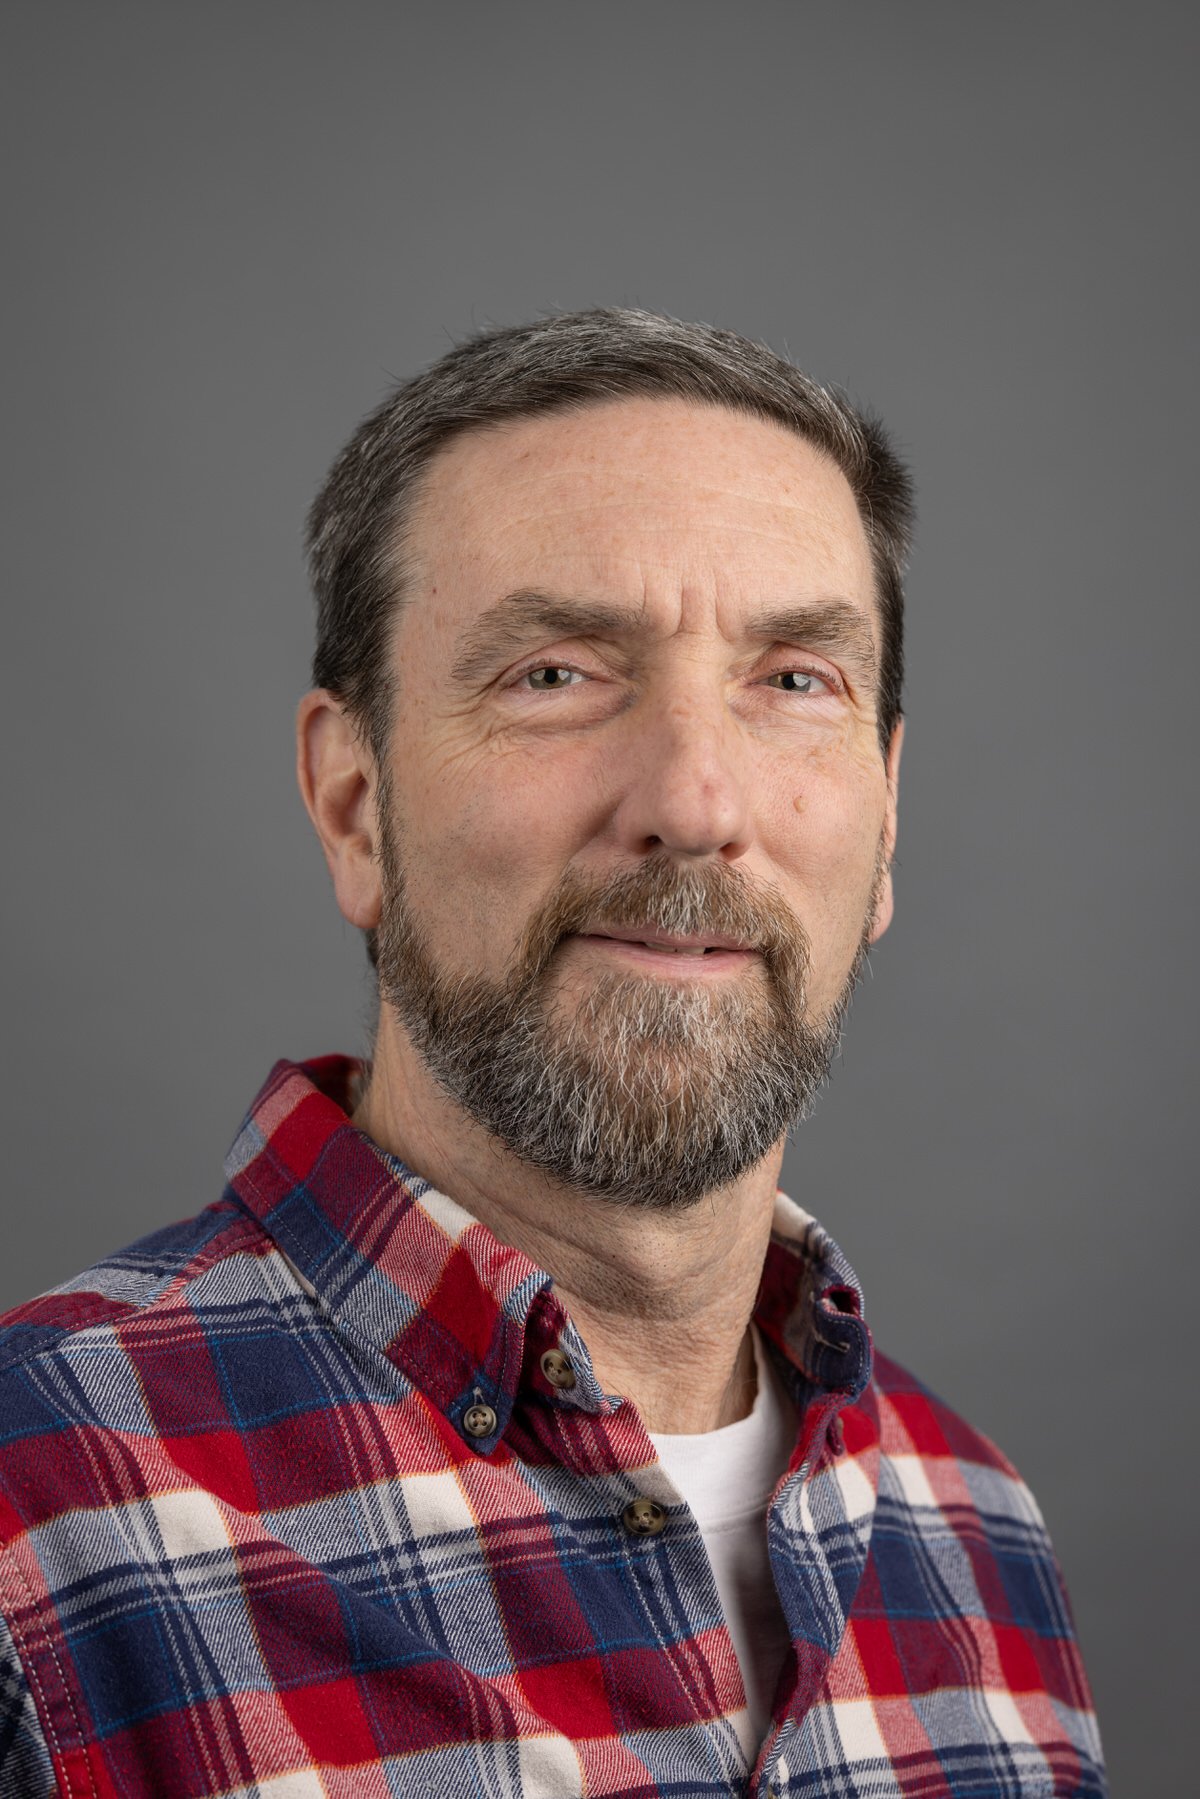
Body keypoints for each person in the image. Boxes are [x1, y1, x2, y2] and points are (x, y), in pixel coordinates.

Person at [0, 310, 1105, 1798]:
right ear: (353, 802)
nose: (698, 800)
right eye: (559, 674)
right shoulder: (38, 1512)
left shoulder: (977, 1532)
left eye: (794, 681)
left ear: (887, 819)